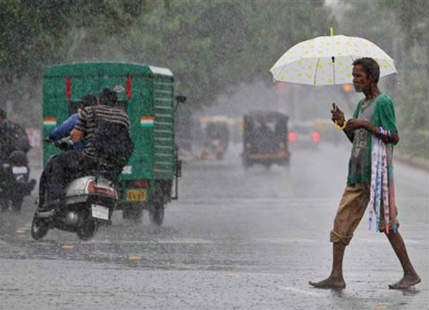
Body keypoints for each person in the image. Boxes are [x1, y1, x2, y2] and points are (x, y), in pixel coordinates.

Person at [309, 57, 420, 290]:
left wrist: (364, 125)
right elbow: (357, 140)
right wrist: (343, 124)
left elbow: (393, 136)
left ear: (371, 78)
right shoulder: (361, 106)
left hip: (378, 175)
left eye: (358, 76)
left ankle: (410, 273)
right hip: (357, 173)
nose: (354, 80)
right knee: (341, 222)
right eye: (353, 76)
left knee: (388, 225)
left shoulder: (383, 103)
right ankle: (336, 275)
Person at [37, 88, 131, 211]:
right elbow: (125, 140)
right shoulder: (124, 117)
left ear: (100, 100)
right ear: (116, 102)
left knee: (57, 163)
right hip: (114, 164)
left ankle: (54, 200)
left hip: (90, 159)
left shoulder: (89, 112)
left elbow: (76, 135)